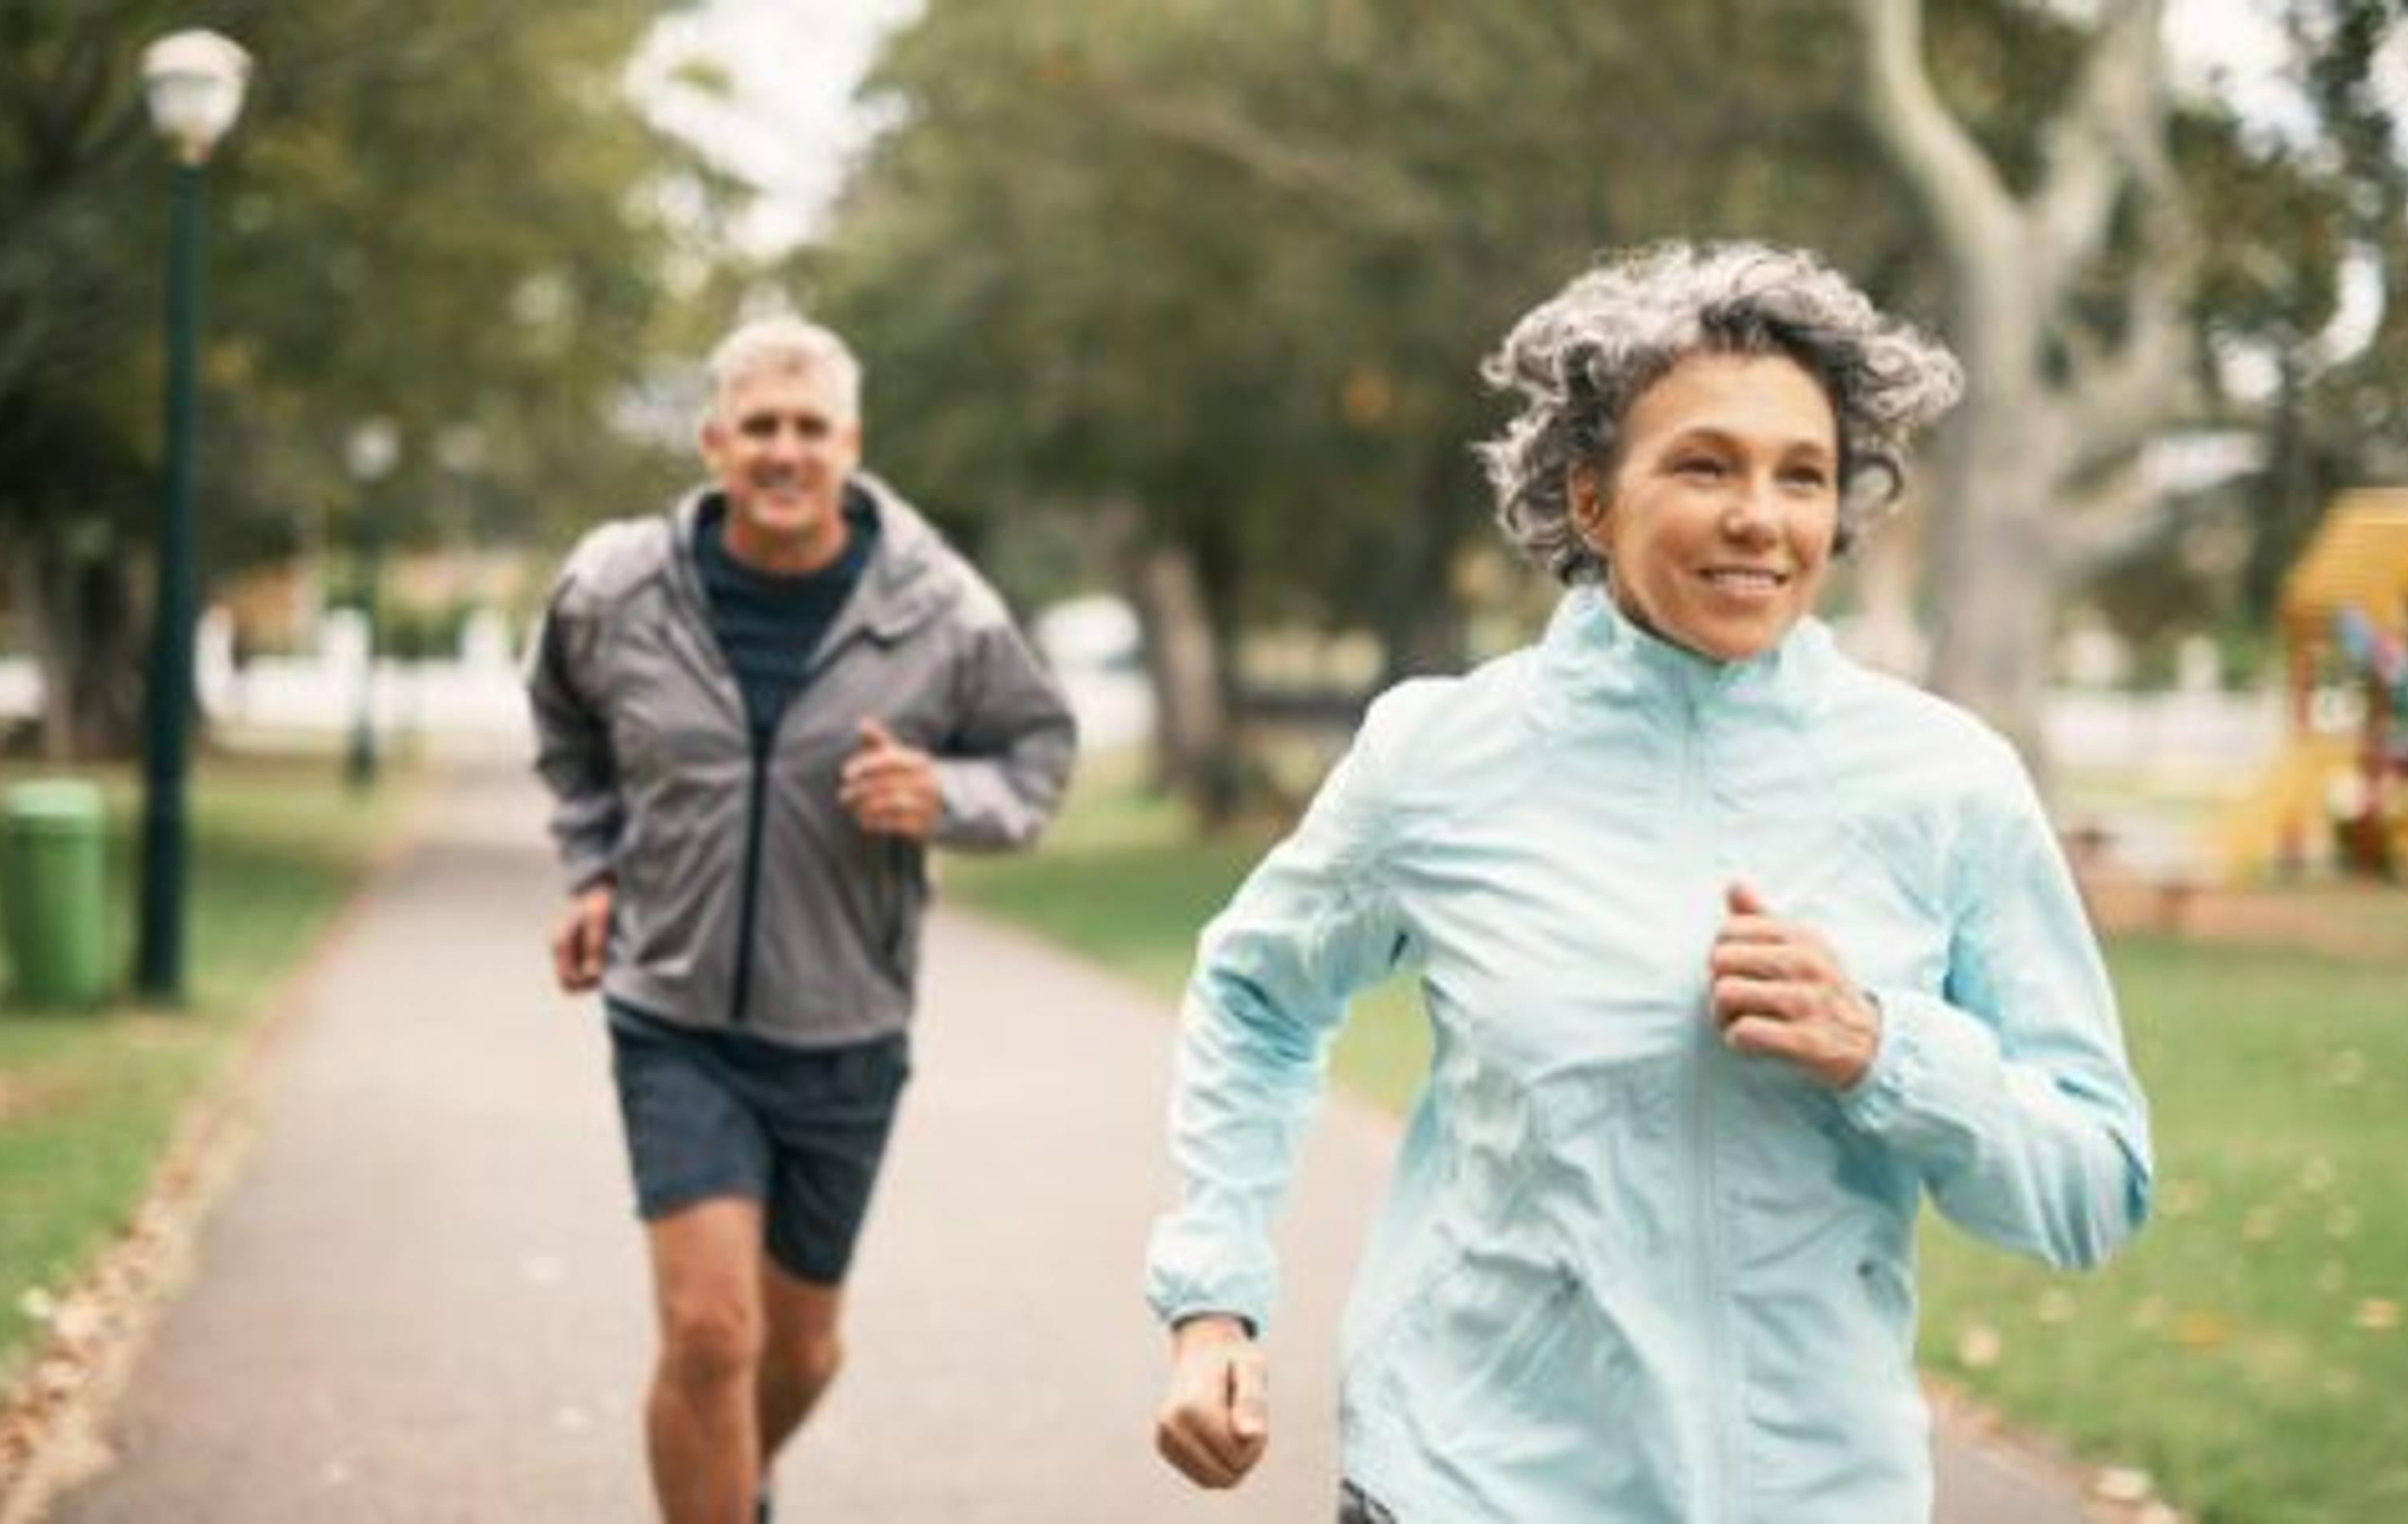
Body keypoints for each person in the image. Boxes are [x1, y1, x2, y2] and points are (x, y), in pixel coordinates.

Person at [1146, 243, 2152, 1522]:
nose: (1761, 517)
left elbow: (2094, 1186)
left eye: (1804, 475)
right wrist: (1214, 1294)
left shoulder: (1946, 782)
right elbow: (1255, 995)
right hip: (1472, 1481)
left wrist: (1886, 1051)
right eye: (1704, 465)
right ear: (1589, 498)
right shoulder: (1442, 758)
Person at [529, 314, 1074, 1522]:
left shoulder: (939, 607)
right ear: (715, 440)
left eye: (810, 428)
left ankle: (722, 1477)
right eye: (761, 426)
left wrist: (944, 795)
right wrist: (595, 867)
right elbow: (567, 725)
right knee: (711, 1333)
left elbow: (1037, 756)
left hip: (846, 1024)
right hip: (673, 1011)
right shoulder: (619, 587)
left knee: (798, 1355)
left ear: (851, 443)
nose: (785, 451)